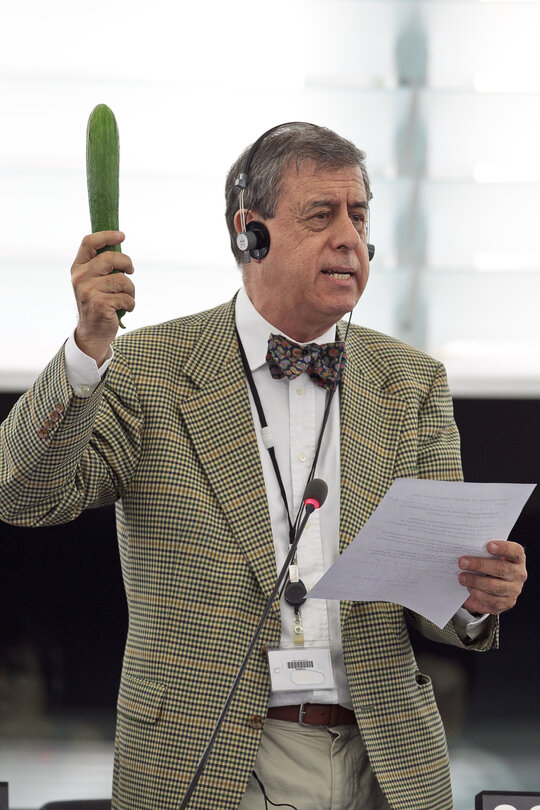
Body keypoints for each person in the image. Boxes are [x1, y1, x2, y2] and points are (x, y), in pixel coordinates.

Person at [0, 122, 527, 810]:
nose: (349, 237)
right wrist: (86, 349)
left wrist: (476, 592)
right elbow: (24, 494)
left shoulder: (411, 380)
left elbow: (438, 595)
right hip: (211, 761)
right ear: (251, 232)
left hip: (384, 765)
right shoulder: (148, 368)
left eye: (359, 215)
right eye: (321, 215)